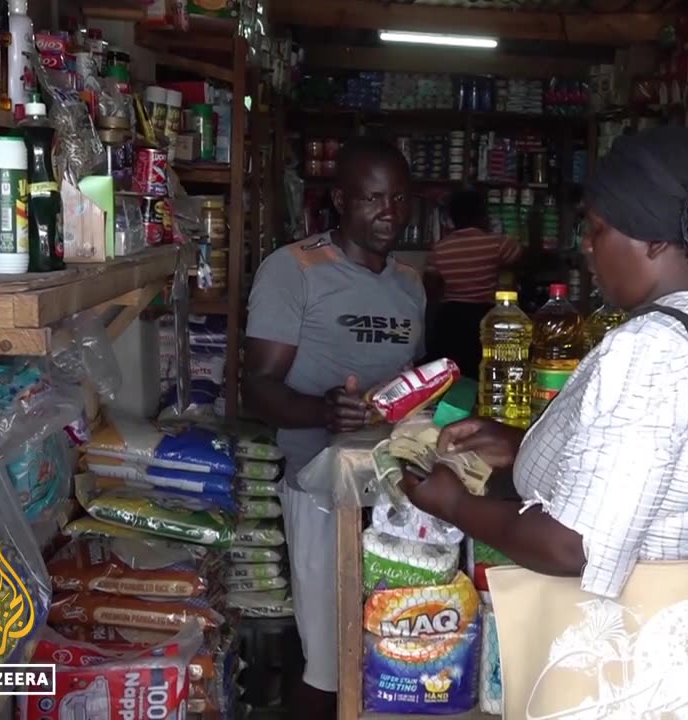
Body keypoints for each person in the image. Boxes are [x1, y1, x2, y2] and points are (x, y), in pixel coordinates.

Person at [399, 126, 688, 598]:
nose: (587, 247)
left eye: (598, 229)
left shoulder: (649, 348)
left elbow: (573, 546)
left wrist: (453, 504)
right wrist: (525, 445)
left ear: (653, 238)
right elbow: (663, 463)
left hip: (631, 634)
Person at [242, 137, 425, 718]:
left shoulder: (411, 283)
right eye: (373, 198)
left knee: (395, 649)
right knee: (326, 658)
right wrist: (325, 412)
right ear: (341, 202)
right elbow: (258, 388)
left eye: (398, 198)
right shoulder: (293, 269)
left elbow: (406, 384)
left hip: (398, 490)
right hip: (319, 486)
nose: (388, 212)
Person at [423, 189, 523, 378]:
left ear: (452, 218)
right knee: (483, 371)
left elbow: (431, 289)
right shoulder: (496, 244)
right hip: (485, 316)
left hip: (450, 318)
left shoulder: (440, 249)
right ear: (482, 215)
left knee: (451, 374)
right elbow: (523, 258)